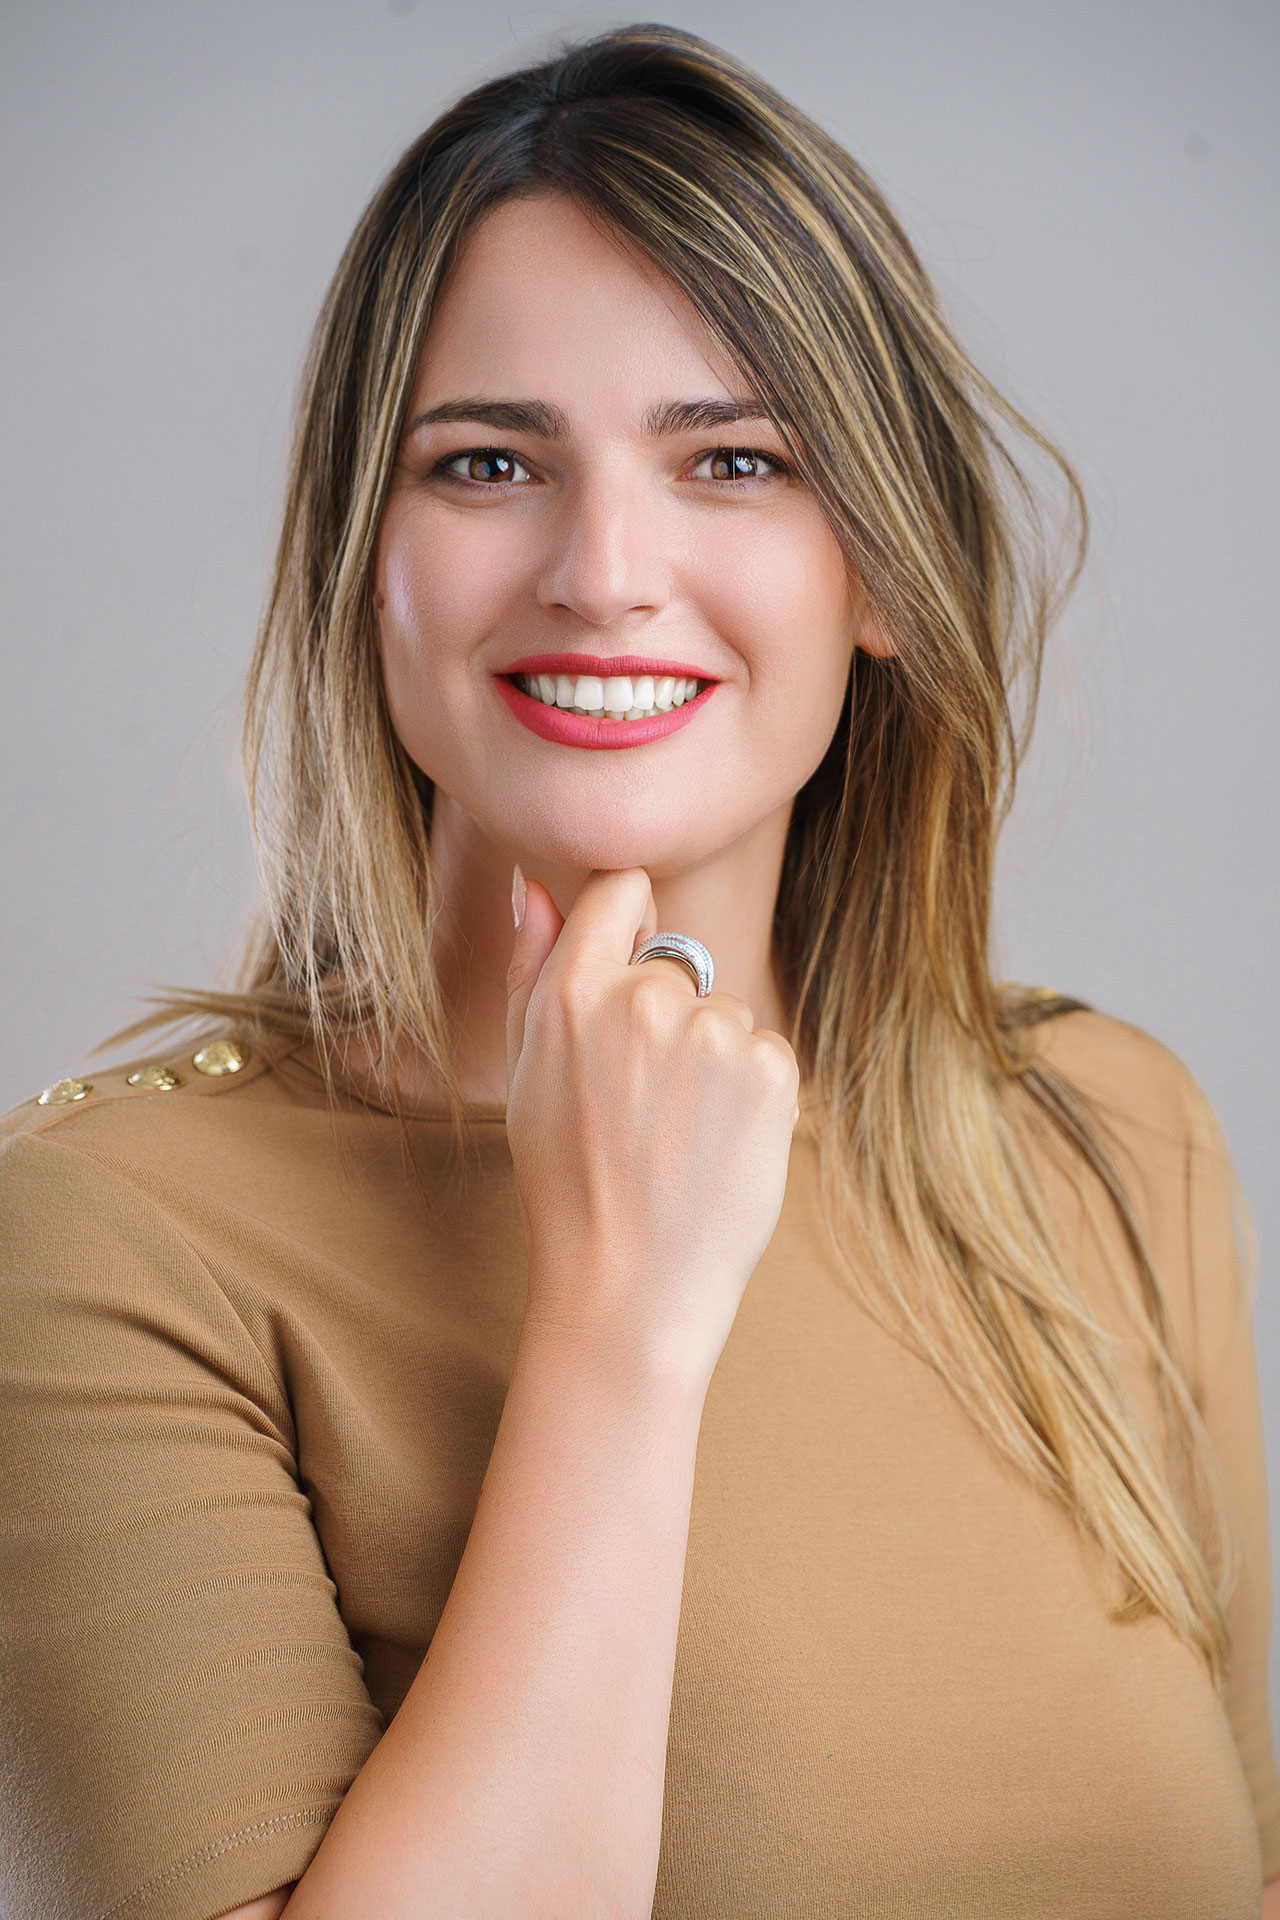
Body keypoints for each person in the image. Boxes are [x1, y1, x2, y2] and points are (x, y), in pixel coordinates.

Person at [1, 22, 1276, 1920]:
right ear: (364, 563)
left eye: (735, 460)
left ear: (882, 574)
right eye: (489, 461)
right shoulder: (108, 1238)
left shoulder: (1106, 1134)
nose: (603, 570)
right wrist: (621, 1327)